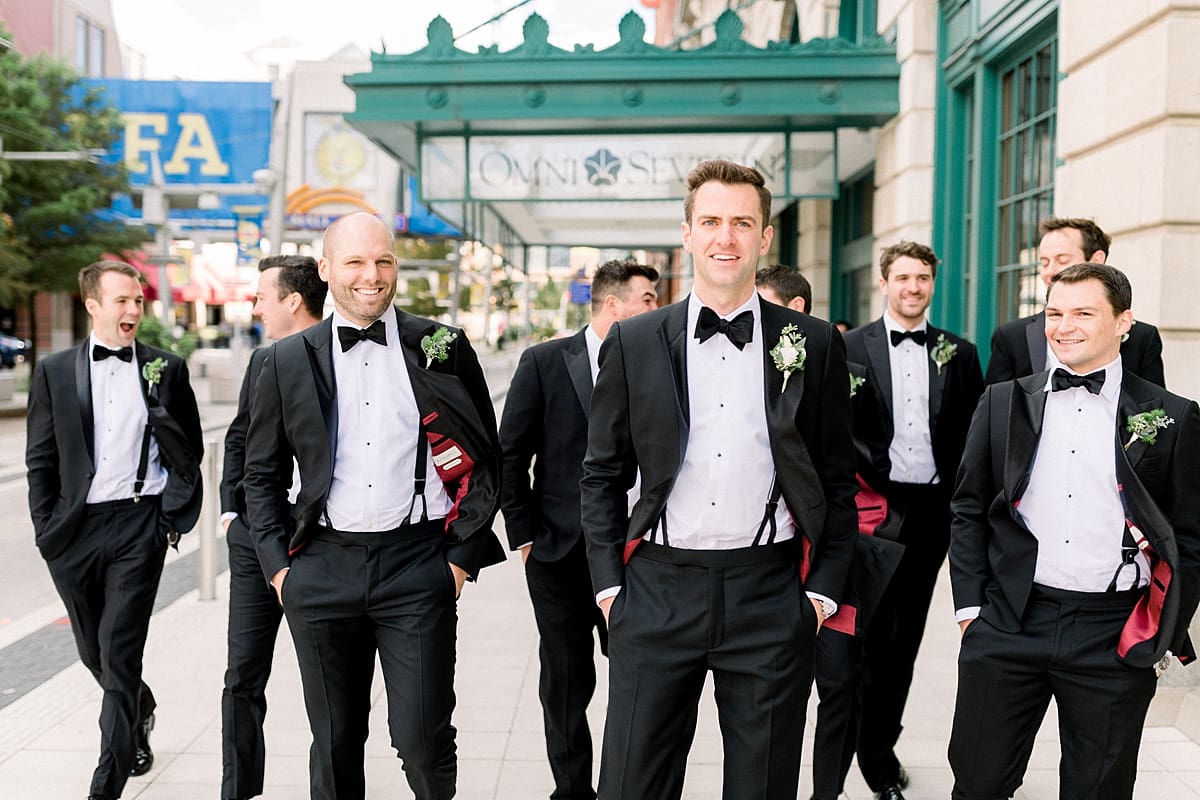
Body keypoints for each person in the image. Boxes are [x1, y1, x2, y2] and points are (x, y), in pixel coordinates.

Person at [580, 159, 858, 800]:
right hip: (655, 588)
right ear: (687, 233)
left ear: (765, 237)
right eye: (710, 222)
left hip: (769, 593)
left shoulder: (811, 342)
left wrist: (818, 596)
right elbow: (600, 475)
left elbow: (837, 480)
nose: (724, 237)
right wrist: (608, 589)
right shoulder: (636, 339)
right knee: (629, 785)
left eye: (741, 223)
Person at [242, 212, 505, 800]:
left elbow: (487, 456)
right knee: (333, 742)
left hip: (417, 563)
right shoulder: (284, 360)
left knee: (423, 740)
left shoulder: (442, 347)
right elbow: (259, 474)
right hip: (320, 564)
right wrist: (279, 569)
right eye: (356, 262)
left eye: (383, 260)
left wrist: (459, 557)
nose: (372, 275)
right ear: (326, 270)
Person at [948, 262, 1200, 799]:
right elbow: (968, 507)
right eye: (1054, 313)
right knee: (977, 783)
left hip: (1112, 632)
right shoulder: (1001, 402)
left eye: (1083, 313)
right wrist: (971, 610)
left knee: (1098, 790)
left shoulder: (1172, 417)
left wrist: (1161, 634)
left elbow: (1190, 537)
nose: (1063, 326)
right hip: (1011, 620)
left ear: (1123, 322)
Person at [25, 260, 203, 800]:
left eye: (138, 302)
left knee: (119, 651)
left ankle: (108, 781)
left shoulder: (165, 369)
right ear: (93, 305)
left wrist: (168, 522)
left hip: (137, 526)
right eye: (121, 301)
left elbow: (187, 453)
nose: (132, 311)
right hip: (74, 531)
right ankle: (139, 710)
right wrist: (47, 530)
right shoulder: (54, 371)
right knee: (93, 653)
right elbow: (41, 460)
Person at [499, 258, 659, 800]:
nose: (655, 309)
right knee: (566, 681)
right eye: (647, 300)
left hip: (639, 552)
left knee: (641, 677)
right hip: (559, 554)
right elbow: (511, 452)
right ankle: (572, 791)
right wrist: (524, 534)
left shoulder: (660, 360)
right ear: (613, 305)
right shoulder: (545, 361)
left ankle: (625, 785)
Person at [840, 241, 984, 800]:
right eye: (903, 277)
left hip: (931, 515)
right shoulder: (849, 348)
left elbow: (975, 437)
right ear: (884, 282)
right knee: (866, 638)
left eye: (923, 277)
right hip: (871, 512)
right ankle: (863, 749)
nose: (913, 287)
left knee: (905, 642)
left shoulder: (960, 353)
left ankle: (879, 747)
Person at [219, 254, 326, 800]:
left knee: (328, 690)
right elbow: (239, 438)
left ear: (292, 300)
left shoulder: (343, 358)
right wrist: (231, 511)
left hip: (321, 543)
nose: (255, 306)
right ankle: (238, 791)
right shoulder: (262, 359)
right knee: (242, 676)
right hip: (255, 535)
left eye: (263, 296)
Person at [985, 217, 1165, 387]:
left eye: (1062, 260)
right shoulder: (1010, 337)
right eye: (1045, 262)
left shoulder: (1143, 338)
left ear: (1097, 260)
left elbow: (1154, 410)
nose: (1050, 272)